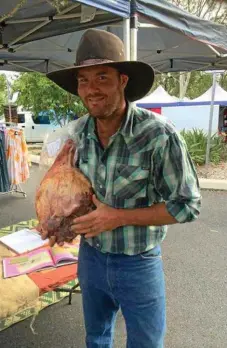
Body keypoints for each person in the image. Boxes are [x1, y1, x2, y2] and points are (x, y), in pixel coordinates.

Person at [47, 29, 201, 348]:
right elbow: (78, 198)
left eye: (102, 77)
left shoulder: (159, 136)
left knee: (146, 343)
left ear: (123, 81)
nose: (91, 89)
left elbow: (187, 205)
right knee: (97, 338)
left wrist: (117, 217)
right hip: (90, 258)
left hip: (138, 263)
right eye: (83, 80)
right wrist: (57, 221)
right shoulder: (78, 136)